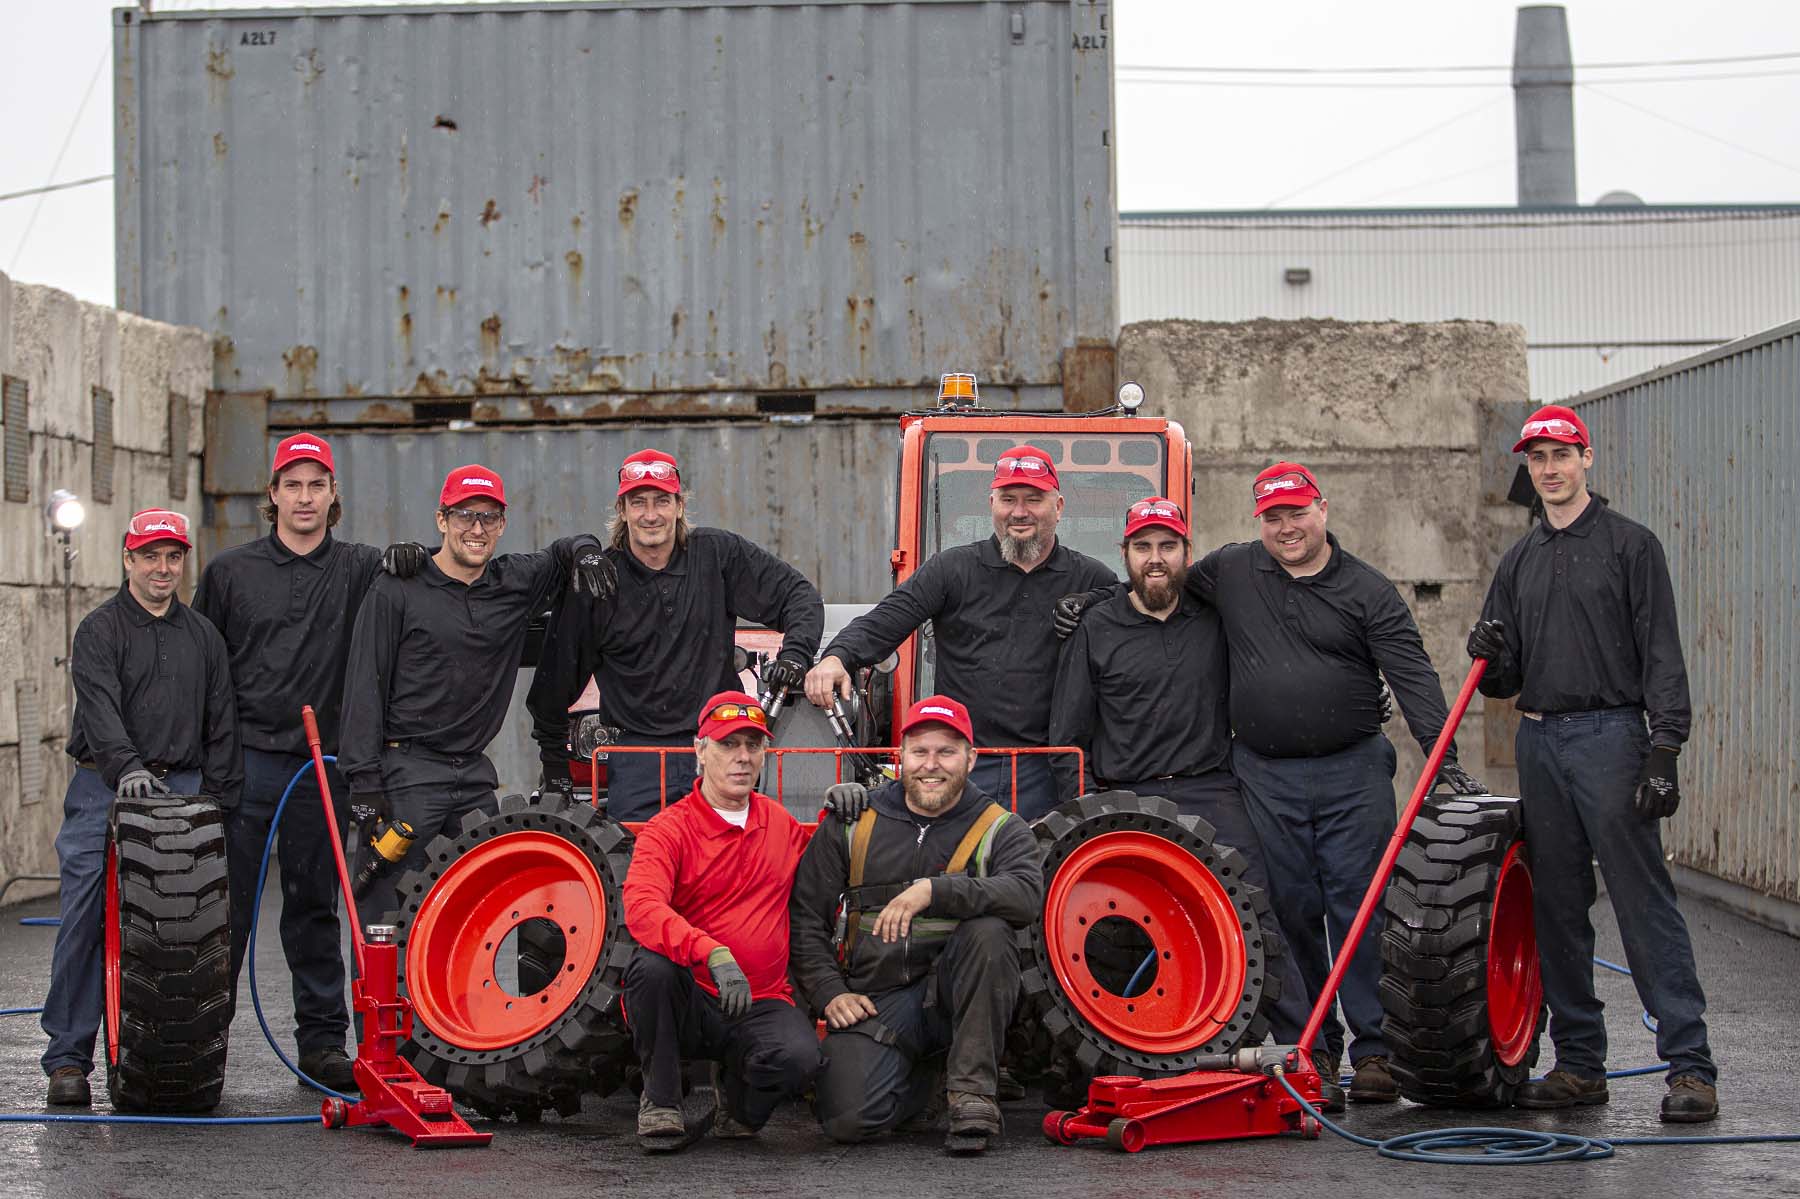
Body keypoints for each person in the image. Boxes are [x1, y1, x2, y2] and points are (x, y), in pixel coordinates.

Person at [1056, 461, 1483, 1102]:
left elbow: (1413, 676)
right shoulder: (1232, 572)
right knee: (1286, 911)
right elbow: (1150, 588)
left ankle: (1373, 1050)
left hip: (1349, 769)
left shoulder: (1366, 590)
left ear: (1323, 511)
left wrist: (1441, 761)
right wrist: (1094, 603)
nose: (1287, 527)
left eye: (1297, 513)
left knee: (1358, 906)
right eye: (1274, 517)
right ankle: (1310, 1047)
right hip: (1263, 773)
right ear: (1260, 521)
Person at [1469, 404, 1717, 1123]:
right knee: (1556, 907)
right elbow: (1503, 676)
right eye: (1537, 459)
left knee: (1643, 901)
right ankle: (1580, 1063)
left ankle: (1691, 1065)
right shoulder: (1517, 559)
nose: (1549, 469)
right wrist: (1487, 659)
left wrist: (1664, 748)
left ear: (1587, 459)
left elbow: (1662, 654)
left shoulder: (1632, 547)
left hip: (1612, 737)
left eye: (1560, 456)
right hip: (1540, 741)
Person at [1047, 496, 1320, 1098]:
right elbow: (1068, 738)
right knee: (1121, 929)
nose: (1155, 559)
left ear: (1186, 555)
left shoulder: (1216, 616)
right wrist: (1083, 817)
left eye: (1167, 547)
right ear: (1125, 556)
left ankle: (1306, 1051)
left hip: (1210, 790)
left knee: (1257, 911)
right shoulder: (1096, 627)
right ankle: (1110, 1062)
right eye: (1142, 547)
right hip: (1127, 797)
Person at [195, 433, 427, 1092]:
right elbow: (203, 668)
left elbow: (423, 589)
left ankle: (322, 1041)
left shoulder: (360, 568)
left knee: (313, 905)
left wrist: (415, 559)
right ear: (272, 496)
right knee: (224, 909)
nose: (304, 497)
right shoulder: (229, 573)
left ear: (333, 496)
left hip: (319, 765)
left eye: (316, 484)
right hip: (244, 762)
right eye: (291, 485)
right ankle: (205, 1037)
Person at [340, 464, 612, 922]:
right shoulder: (397, 588)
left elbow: (565, 551)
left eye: (489, 517)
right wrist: (363, 780)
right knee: (387, 914)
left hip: (473, 777)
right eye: (465, 515)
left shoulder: (514, 582)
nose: (477, 528)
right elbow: (364, 683)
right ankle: (385, 998)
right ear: (441, 520)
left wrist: (588, 552)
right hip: (407, 774)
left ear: (503, 525)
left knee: (471, 917)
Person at [42, 509, 242, 1106]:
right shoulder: (99, 631)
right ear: (128, 559)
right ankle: (68, 1057)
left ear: (183, 562)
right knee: (85, 912)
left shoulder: (204, 636)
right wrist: (126, 768)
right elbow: (99, 712)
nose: (163, 568)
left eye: (173, 557)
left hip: (182, 790)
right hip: (103, 788)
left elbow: (221, 723)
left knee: (179, 932)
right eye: (150, 556)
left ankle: (167, 1051)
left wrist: (222, 802)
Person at [789, 696, 1045, 1151]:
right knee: (846, 1121)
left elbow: (1026, 895)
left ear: (971, 758)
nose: (932, 765)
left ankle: (971, 1094)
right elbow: (805, 918)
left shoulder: (1001, 828)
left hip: (958, 1004)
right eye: (919, 751)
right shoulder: (853, 822)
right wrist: (830, 992)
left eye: (947, 752)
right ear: (899, 757)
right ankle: (925, 1082)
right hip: (878, 999)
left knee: (990, 932)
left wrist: (935, 890)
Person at [804, 445, 1115, 819]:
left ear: (1059, 506)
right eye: (1008, 499)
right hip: (964, 765)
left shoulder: (1093, 580)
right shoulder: (952, 570)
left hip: (1049, 770)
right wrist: (837, 657)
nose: (1020, 511)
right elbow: (887, 619)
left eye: (1034, 499)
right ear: (992, 504)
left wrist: (1093, 602)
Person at [527, 448, 823, 821]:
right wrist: (555, 769)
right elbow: (553, 684)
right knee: (640, 871)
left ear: (679, 506)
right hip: (638, 759)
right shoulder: (599, 580)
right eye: (638, 503)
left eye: (662, 501)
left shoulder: (717, 555)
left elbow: (800, 597)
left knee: (727, 866)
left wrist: (796, 655)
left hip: (716, 746)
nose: (651, 515)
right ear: (622, 511)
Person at [620, 691, 821, 1150]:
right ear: (700, 750)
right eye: (728, 744)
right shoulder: (668, 830)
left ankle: (737, 1106)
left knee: (801, 1059)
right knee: (651, 970)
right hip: (691, 996)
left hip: (762, 998)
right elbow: (642, 907)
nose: (743, 758)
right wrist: (711, 952)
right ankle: (661, 1101)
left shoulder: (782, 824)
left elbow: (823, 875)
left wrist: (843, 811)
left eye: (753, 745)